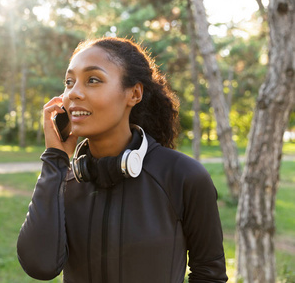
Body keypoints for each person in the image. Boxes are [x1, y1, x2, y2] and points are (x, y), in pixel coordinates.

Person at [17, 37, 228, 283]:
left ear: (134, 94)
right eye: (69, 82)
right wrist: (55, 160)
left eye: (93, 80)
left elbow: (209, 275)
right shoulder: (63, 180)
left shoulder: (183, 175)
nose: (73, 93)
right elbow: (39, 266)